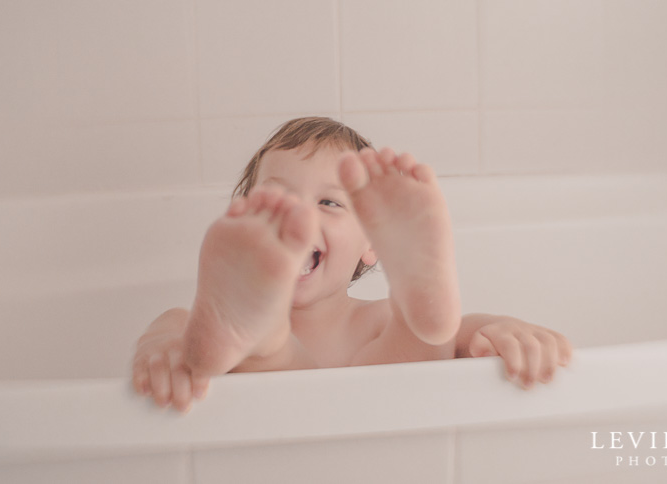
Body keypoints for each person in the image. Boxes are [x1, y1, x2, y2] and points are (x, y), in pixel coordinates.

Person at [131, 117, 573, 412]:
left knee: (422, 339)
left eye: (328, 202)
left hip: (382, 424)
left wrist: (500, 328)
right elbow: (171, 327)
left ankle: (413, 310)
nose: (302, 219)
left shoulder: (375, 320)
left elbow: (465, 332)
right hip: (287, 440)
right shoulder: (209, 325)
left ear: (373, 244)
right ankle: (261, 332)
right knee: (244, 348)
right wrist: (167, 347)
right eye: (279, 199)